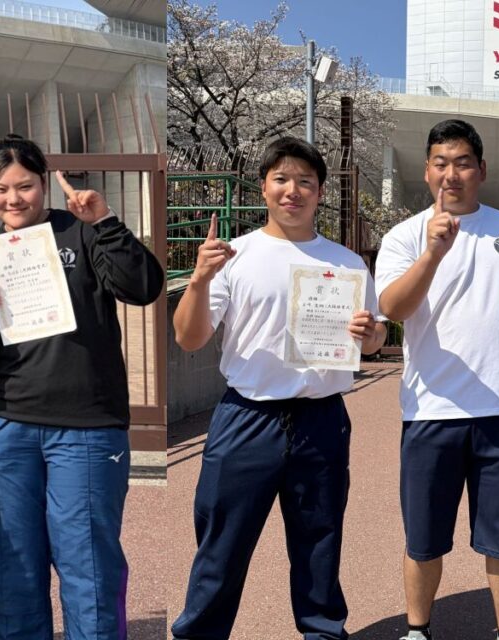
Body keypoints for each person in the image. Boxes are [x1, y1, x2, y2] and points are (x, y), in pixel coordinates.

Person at [171, 136, 387, 640]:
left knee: (319, 542)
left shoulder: (348, 262)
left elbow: (374, 338)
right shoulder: (234, 256)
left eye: (305, 182)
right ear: (264, 187)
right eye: (282, 179)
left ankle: (323, 632)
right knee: (220, 543)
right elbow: (189, 336)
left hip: (321, 419)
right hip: (246, 417)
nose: (293, 190)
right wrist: (200, 280)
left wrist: (372, 334)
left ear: (319, 191)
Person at [0, 134, 163, 638]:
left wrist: (106, 222)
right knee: (12, 564)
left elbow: (144, 287)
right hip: (8, 426)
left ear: (43, 183)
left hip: (88, 428)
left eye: (24, 186)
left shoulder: (82, 231)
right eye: (1, 188)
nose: (13, 199)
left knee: (88, 566)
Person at [374, 119, 499, 640]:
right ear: (427, 170)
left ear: (481, 169)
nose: (450, 174)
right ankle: (417, 630)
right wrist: (433, 252)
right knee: (424, 537)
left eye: (461, 163)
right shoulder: (405, 235)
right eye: (440, 163)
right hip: (430, 411)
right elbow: (393, 308)